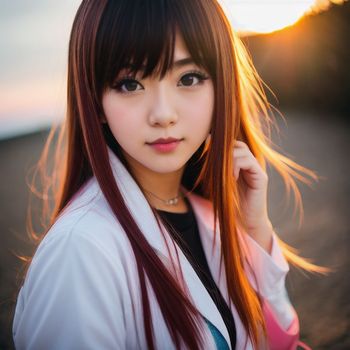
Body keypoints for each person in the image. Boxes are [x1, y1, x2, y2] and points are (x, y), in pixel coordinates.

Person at [12, 0, 326, 349]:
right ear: (95, 100)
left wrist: (255, 232)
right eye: (130, 84)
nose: (163, 114)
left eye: (188, 78)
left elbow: (278, 340)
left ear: (220, 84)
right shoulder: (81, 251)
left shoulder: (210, 215)